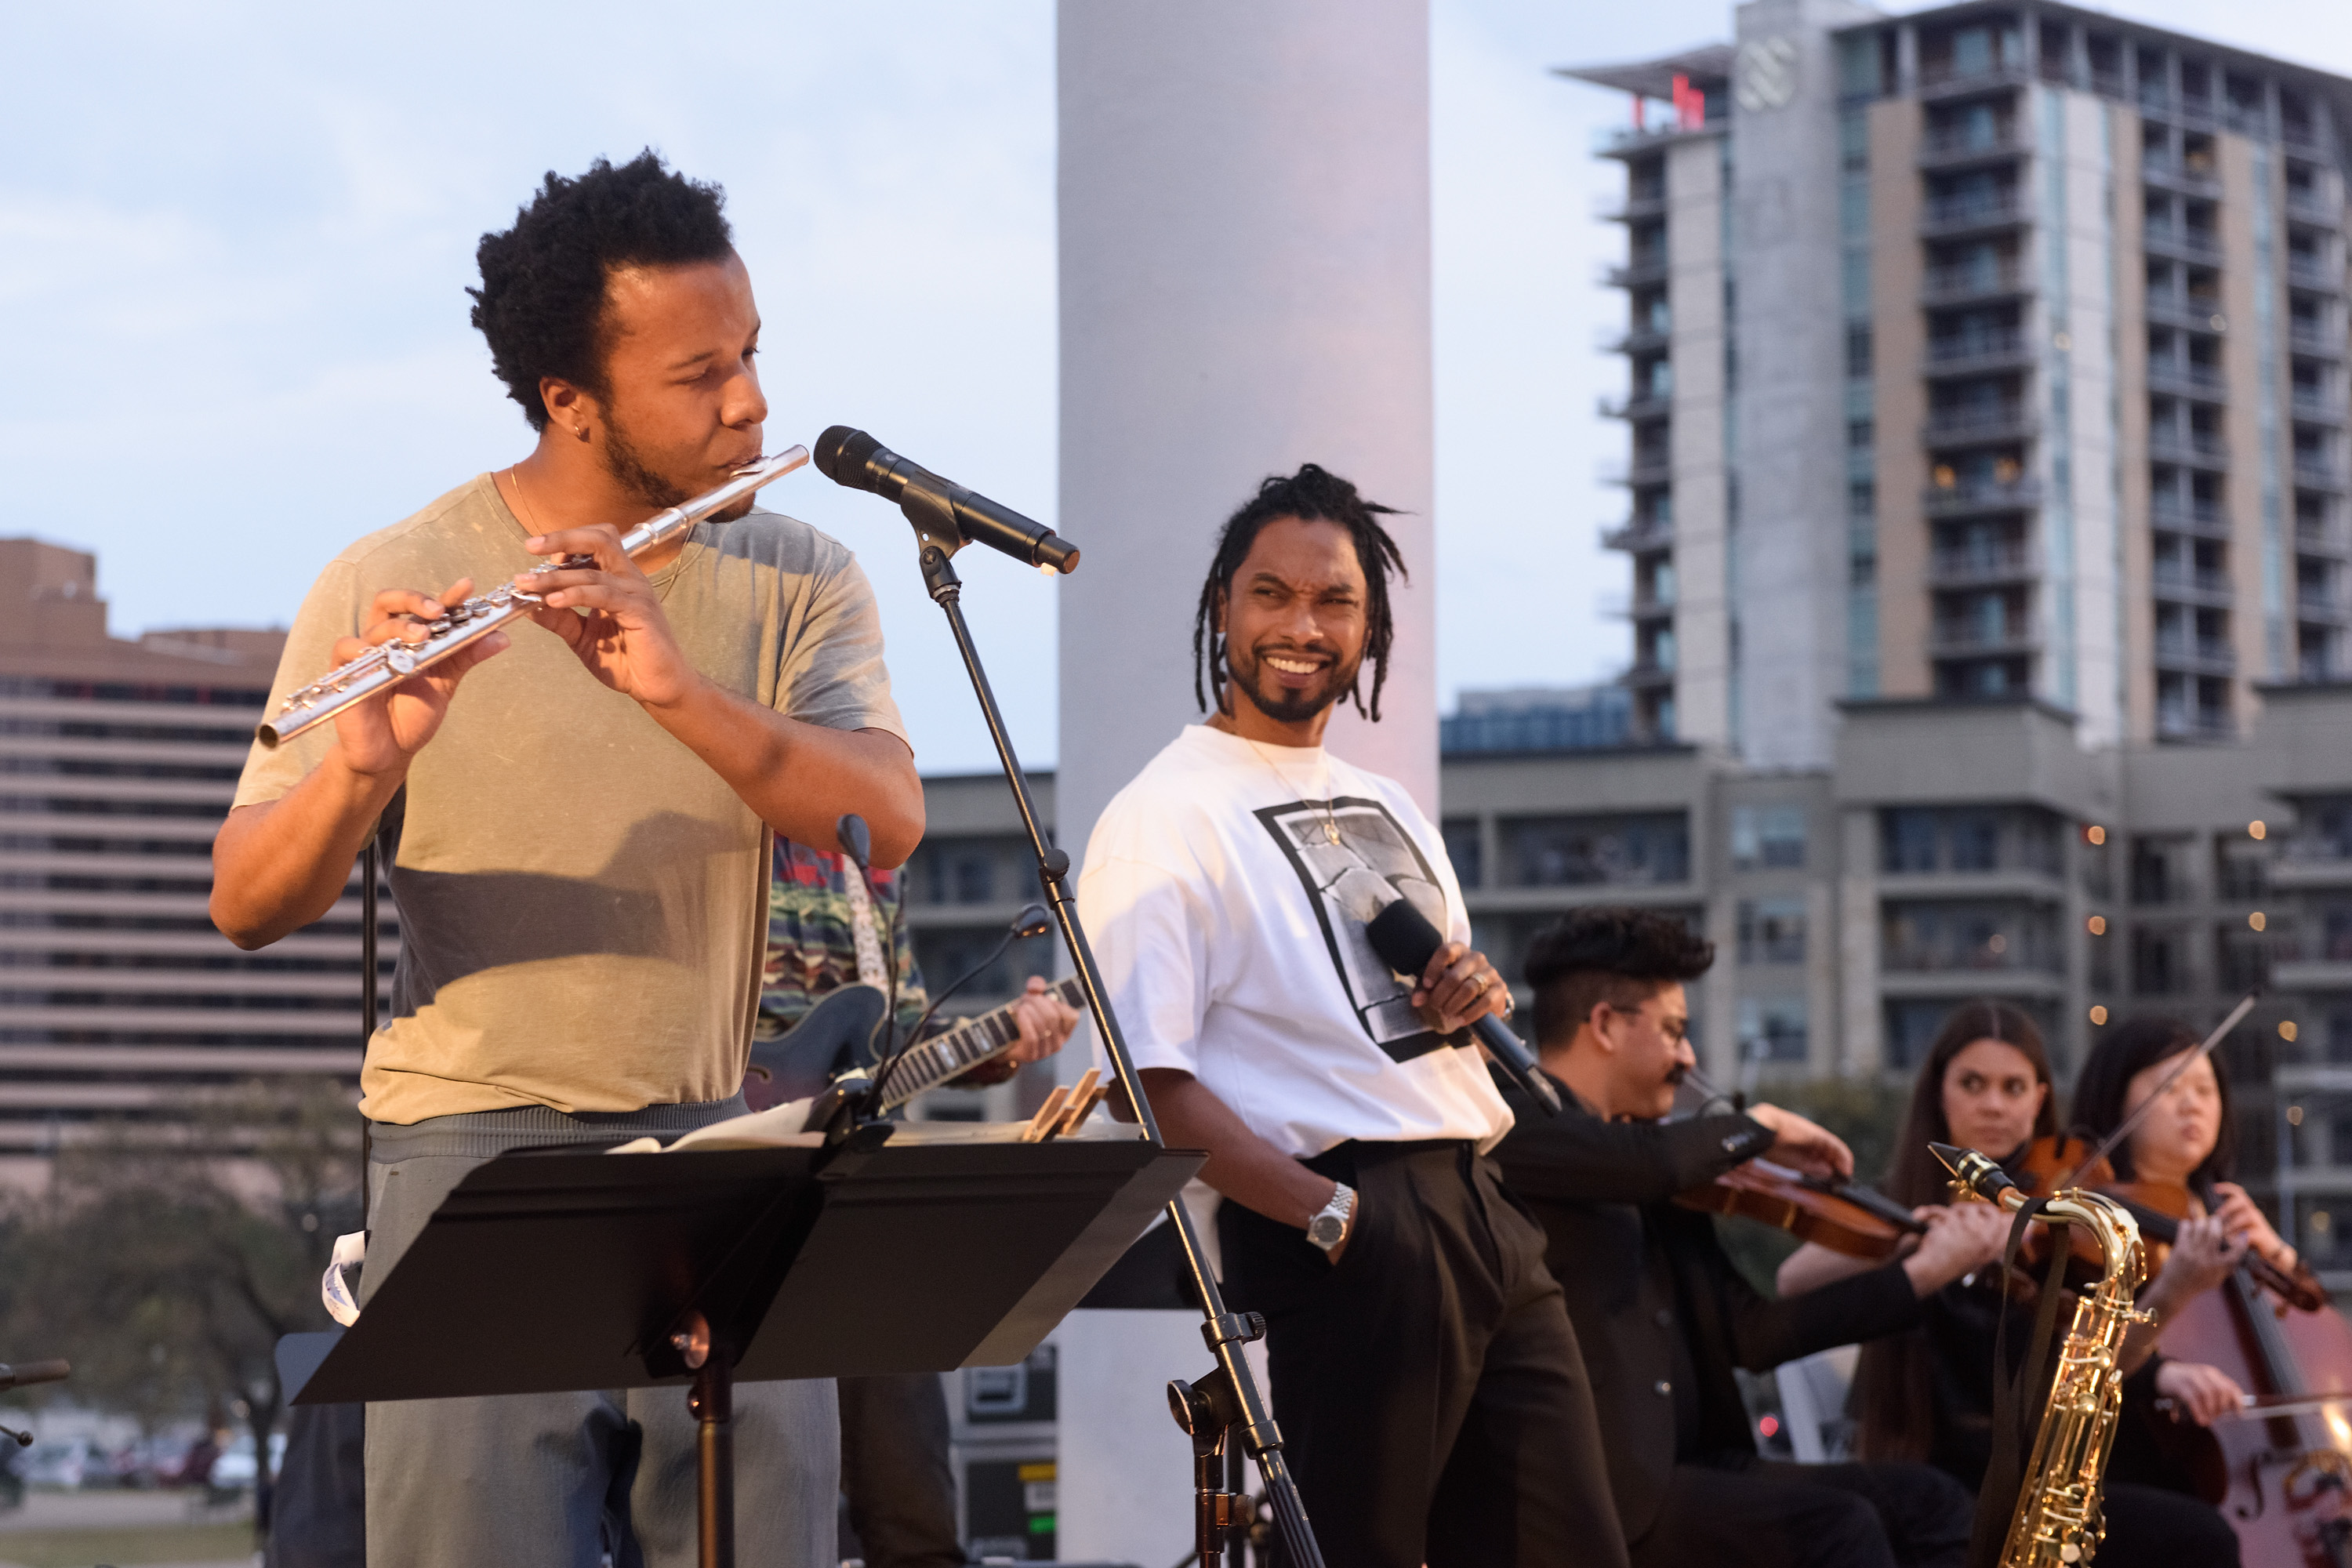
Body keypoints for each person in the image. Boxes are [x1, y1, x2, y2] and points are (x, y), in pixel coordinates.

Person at [212, 152, 923, 1568]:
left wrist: (677, 691)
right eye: (701, 374)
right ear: (571, 401)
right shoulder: (389, 574)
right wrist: (362, 764)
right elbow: (247, 901)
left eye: (753, 355)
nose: (753, 404)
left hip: (723, 1144)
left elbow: (885, 817)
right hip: (477, 1155)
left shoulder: (801, 575)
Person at [1078, 464, 1626, 1568]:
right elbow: (1149, 1083)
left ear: (1369, 630)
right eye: (1270, 594)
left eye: (1335, 602)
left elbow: (1390, 1021)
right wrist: (1331, 1220)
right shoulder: (1162, 816)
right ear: (1222, 607)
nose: (1301, 625)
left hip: (1484, 1210)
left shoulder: (1387, 803)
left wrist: (1465, 998)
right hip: (1345, 1223)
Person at [1493, 908, 2001, 1568]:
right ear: (1607, 1026)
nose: (1689, 1057)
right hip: (1605, 1494)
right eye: (1675, 1031)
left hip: (1700, 1465)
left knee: (1929, 1502)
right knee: (1838, 1529)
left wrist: (1916, 1272)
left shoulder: (1664, 1168)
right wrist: (1756, 1129)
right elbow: (1646, 1162)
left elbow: (1751, 1334)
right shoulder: (1517, 1122)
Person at [1780, 1004, 2243, 1568]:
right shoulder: (1906, 1201)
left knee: (2189, 1511)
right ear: (1940, 1094)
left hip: (2037, 1468)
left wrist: (2172, 1296)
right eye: (1973, 1084)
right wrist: (1916, 1248)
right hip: (1942, 1475)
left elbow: (2095, 1367)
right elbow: (1793, 1278)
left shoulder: (2064, 1211)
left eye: (2013, 1087)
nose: (1994, 1105)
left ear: (2040, 1100)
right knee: (2194, 1537)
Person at [754, 837, 1080, 1568]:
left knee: (915, 1510)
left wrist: (1003, 1045)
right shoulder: (717, 826)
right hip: (733, 1199)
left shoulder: (867, 858)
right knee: (759, 1513)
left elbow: (896, 1041)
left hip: (854, 1213)